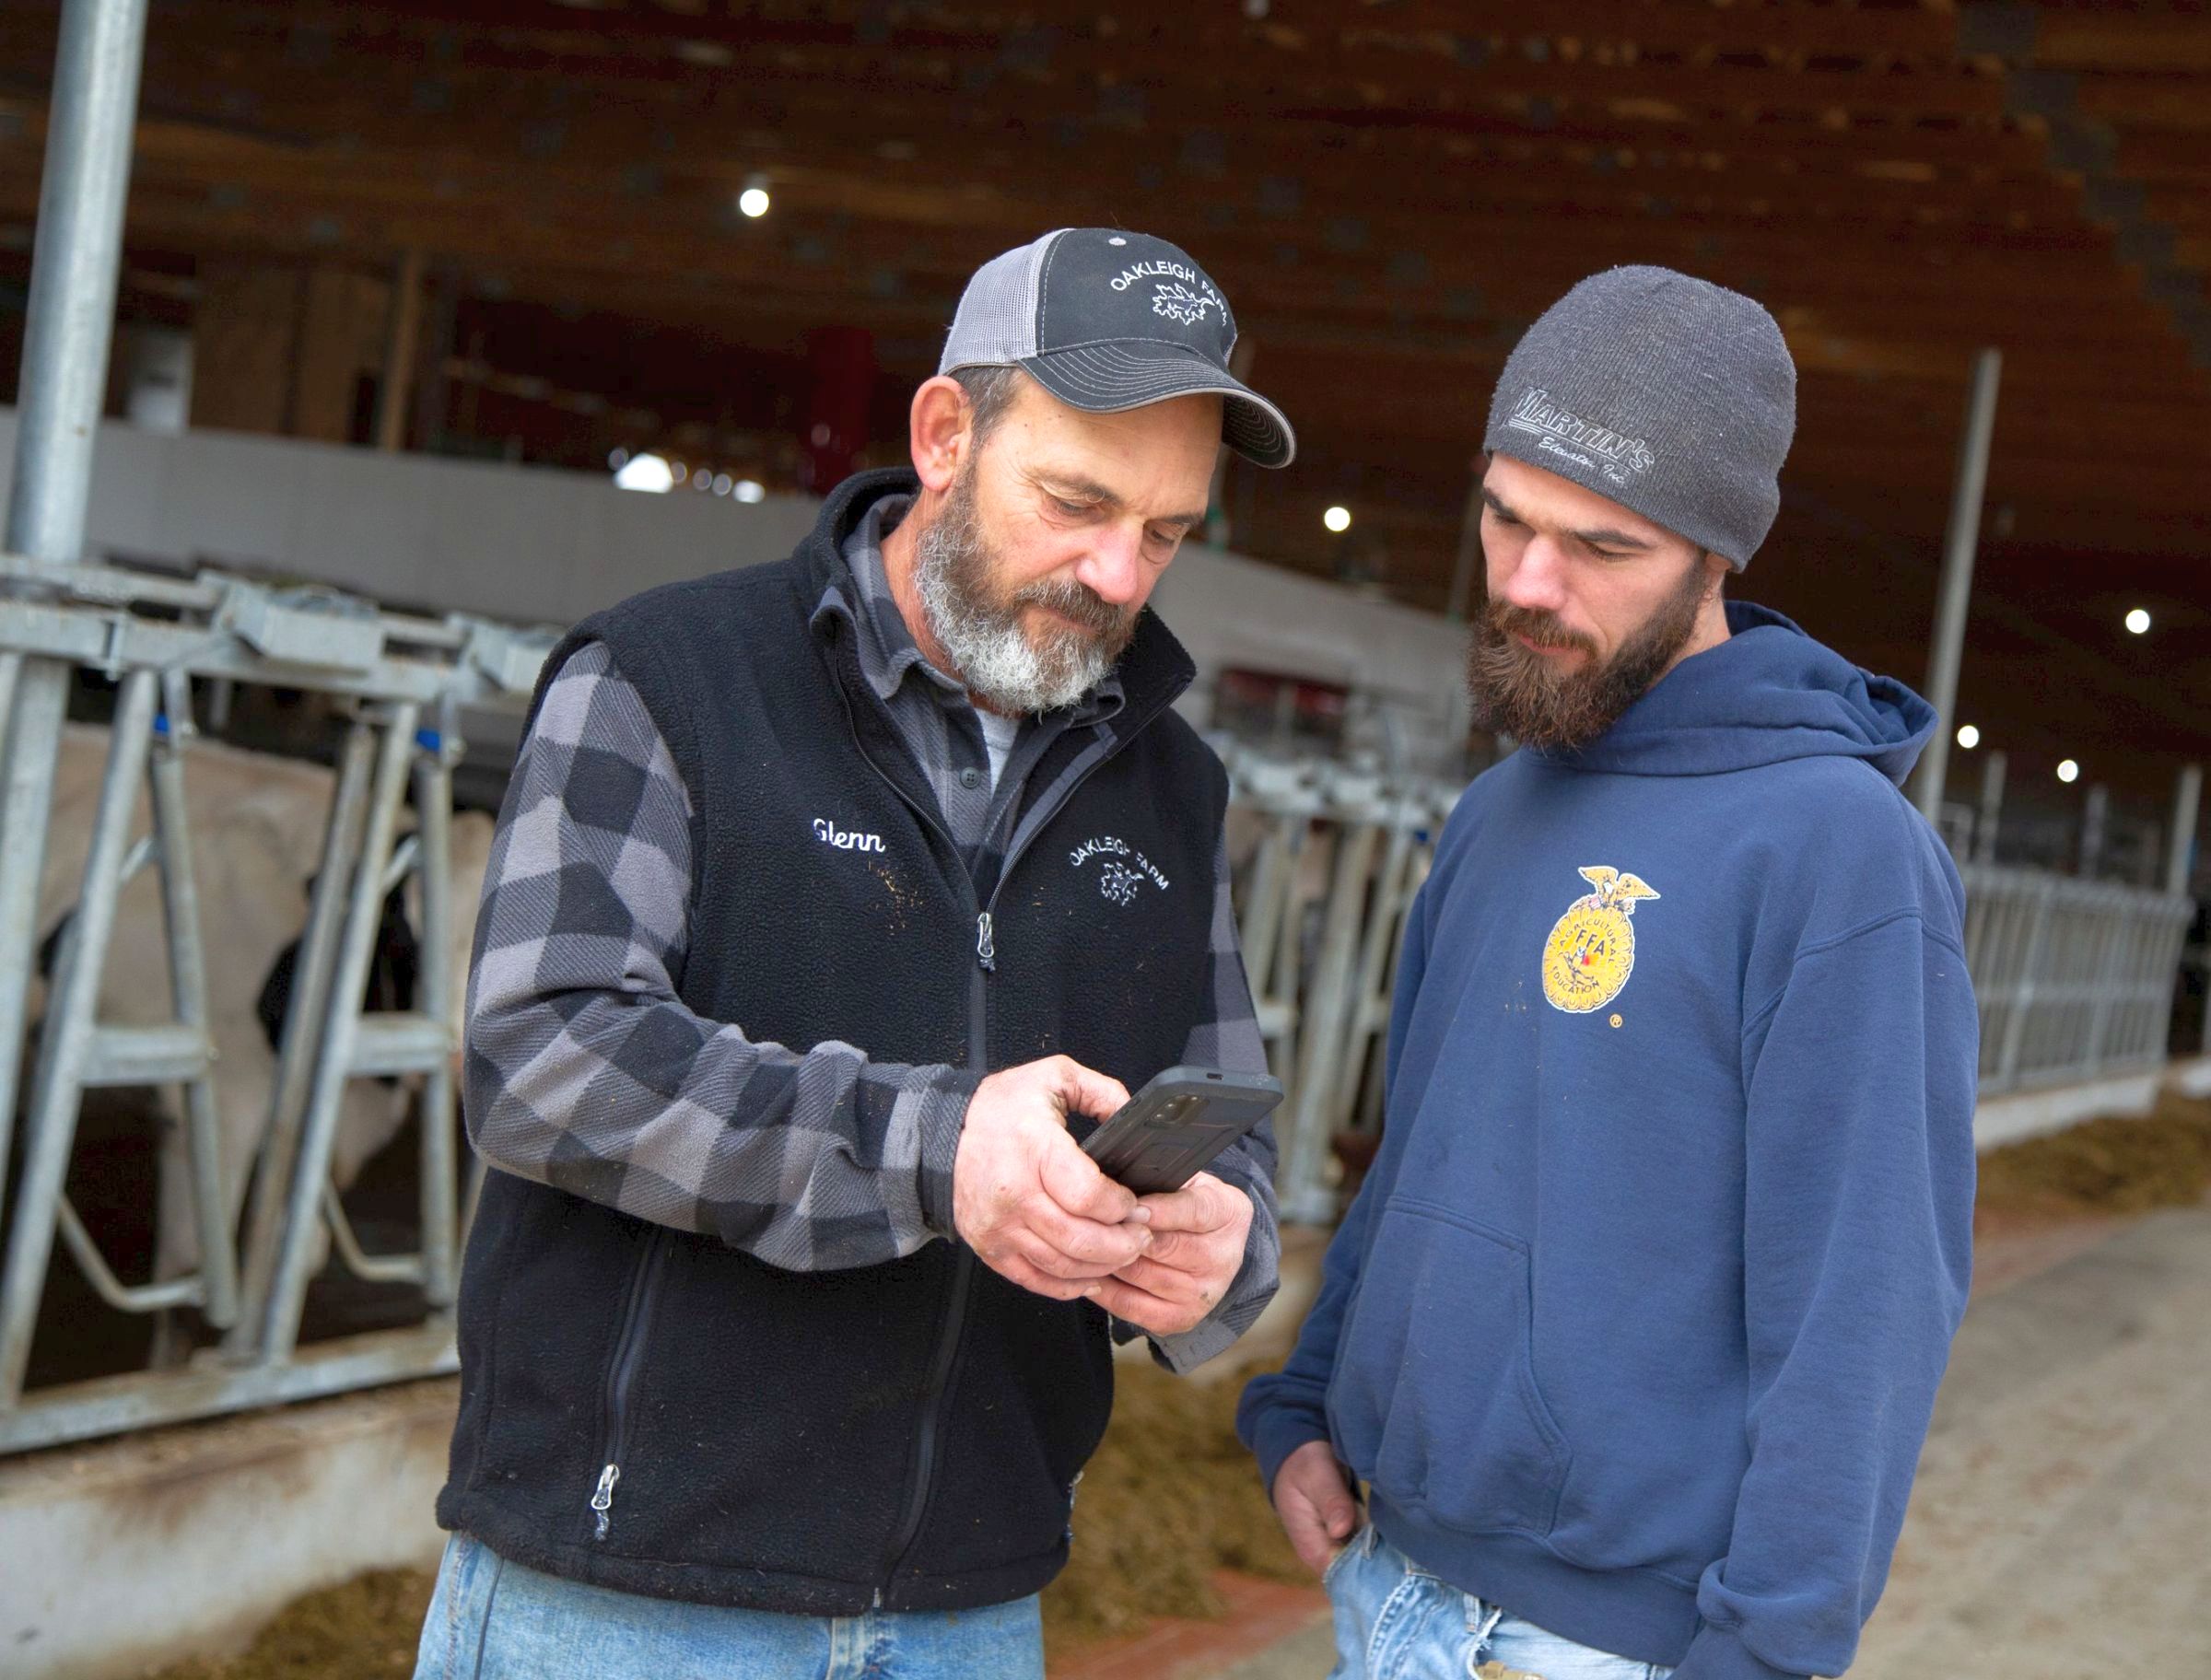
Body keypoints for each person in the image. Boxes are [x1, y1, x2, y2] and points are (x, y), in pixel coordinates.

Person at [415, 228, 1296, 1680]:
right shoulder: (674, 679)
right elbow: (543, 1052)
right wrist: (927, 1147)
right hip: (633, 1594)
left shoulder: (1171, 785)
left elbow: (1223, 1115)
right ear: (946, 436)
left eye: (1168, 530)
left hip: (971, 1606)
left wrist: (1219, 1250)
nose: (1116, 571)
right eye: (1075, 501)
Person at [1240, 265, 1977, 1680]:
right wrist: (1307, 1406)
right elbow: (1420, 1159)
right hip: (1387, 1586)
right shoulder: (1498, 811)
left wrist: (1767, 1654)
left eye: (1600, 545)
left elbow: (1862, 1305)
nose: (1525, 583)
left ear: (1718, 558)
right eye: (1505, 516)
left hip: (1607, 1645)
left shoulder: (1840, 854)